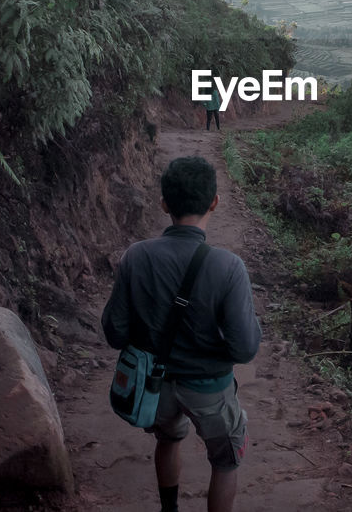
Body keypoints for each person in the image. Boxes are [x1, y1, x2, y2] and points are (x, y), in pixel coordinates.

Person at [102, 156, 261, 512]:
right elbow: (245, 348)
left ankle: (169, 509)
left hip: (155, 390)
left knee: (168, 439)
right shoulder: (228, 267)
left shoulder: (136, 257)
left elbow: (115, 332)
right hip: (209, 390)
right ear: (214, 202)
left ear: (163, 204)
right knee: (224, 461)